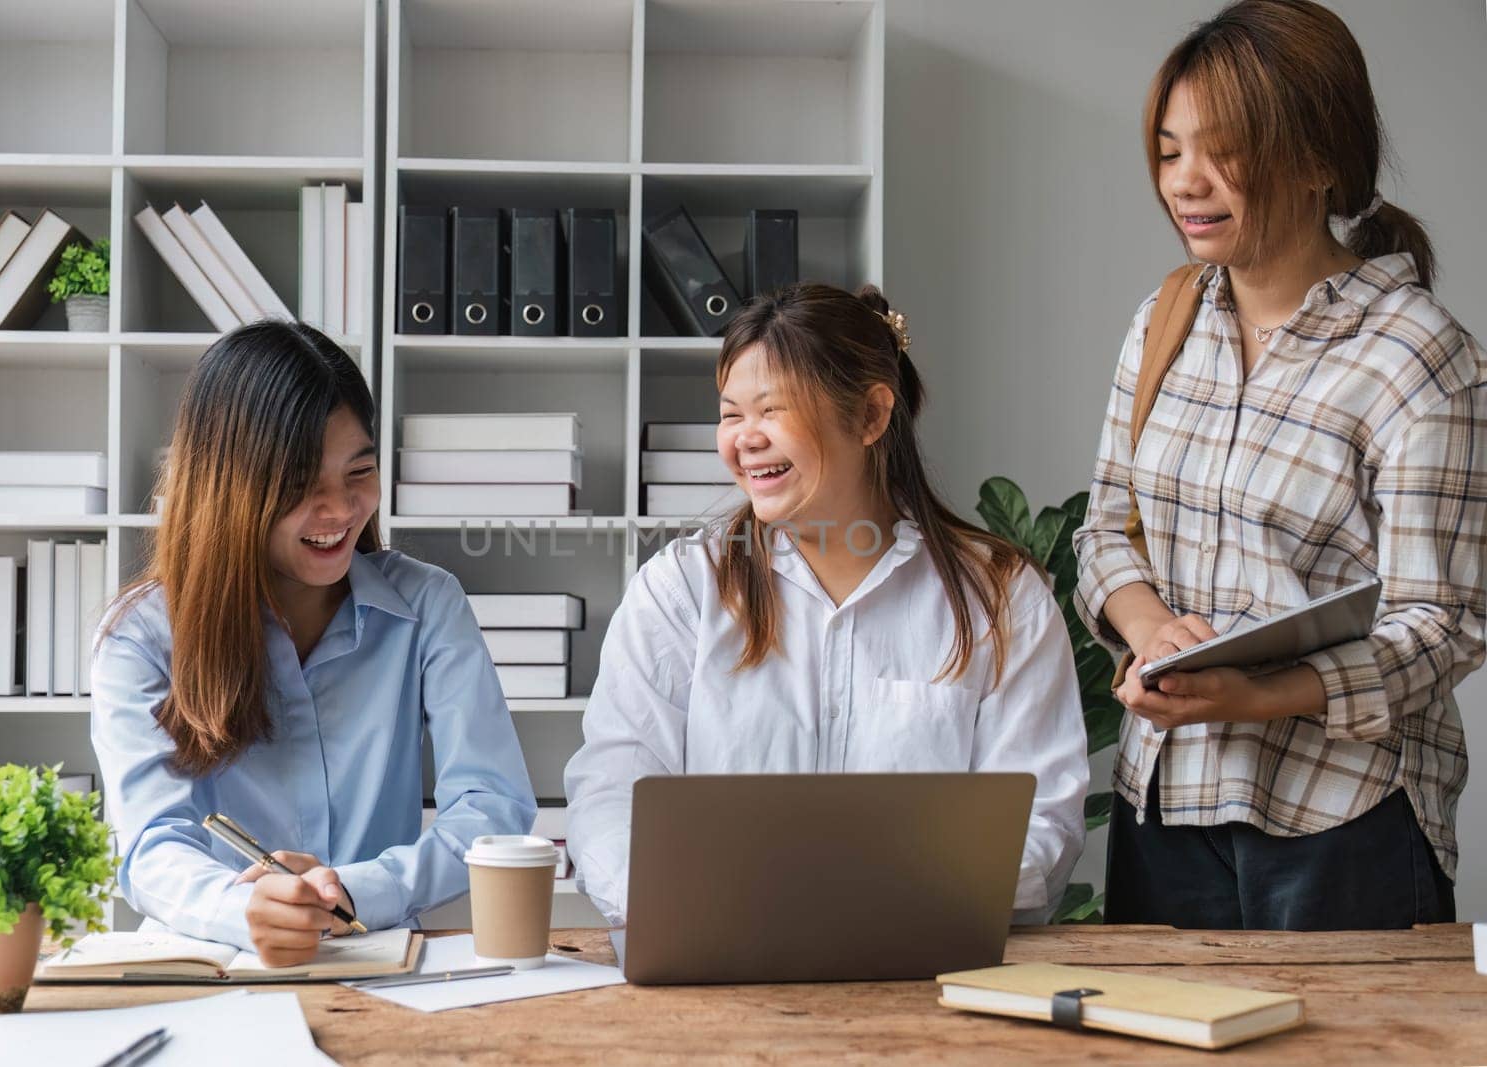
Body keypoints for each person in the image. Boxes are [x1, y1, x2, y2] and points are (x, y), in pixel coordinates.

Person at [1074, 0, 1486, 929]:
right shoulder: (1165, 318)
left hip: (1344, 819)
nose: (1188, 181)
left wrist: (1261, 696)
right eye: (1171, 150)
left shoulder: (1420, 355)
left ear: (1316, 158)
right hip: (1165, 808)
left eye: (1225, 150)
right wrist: (1152, 632)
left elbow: (1445, 623)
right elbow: (1105, 530)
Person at [564, 283, 1089, 925]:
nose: (744, 439)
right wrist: (668, 902)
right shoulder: (681, 590)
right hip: (719, 956)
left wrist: (882, 900)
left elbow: (1042, 820)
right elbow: (612, 791)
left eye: (772, 410)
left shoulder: (1000, 597)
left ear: (871, 416)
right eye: (731, 414)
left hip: (926, 967)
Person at [91, 321, 535, 964]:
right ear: (229, 488)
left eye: (359, 471)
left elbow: (495, 807)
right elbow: (149, 843)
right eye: (300, 484)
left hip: (377, 958)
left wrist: (356, 889)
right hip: (214, 963)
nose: (339, 509)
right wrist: (241, 907)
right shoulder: (143, 637)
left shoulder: (427, 605)